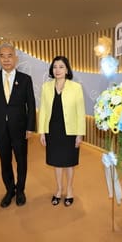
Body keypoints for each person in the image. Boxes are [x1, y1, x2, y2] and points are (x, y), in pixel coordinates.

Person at [0, 43, 36, 208]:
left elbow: (31, 105)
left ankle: (20, 191)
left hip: (20, 128)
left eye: (9, 56)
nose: (6, 59)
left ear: (16, 58)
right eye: (2, 56)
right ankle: (9, 190)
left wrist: (30, 127)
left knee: (21, 161)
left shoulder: (25, 79)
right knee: (4, 161)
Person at [38, 56, 86, 207]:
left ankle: (70, 190)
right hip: (53, 131)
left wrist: (80, 134)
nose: (57, 70)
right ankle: (59, 190)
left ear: (67, 70)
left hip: (70, 131)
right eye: (55, 67)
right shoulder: (46, 87)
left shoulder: (76, 87)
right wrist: (42, 132)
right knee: (57, 162)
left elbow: (80, 112)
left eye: (61, 67)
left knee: (69, 162)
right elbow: (43, 111)